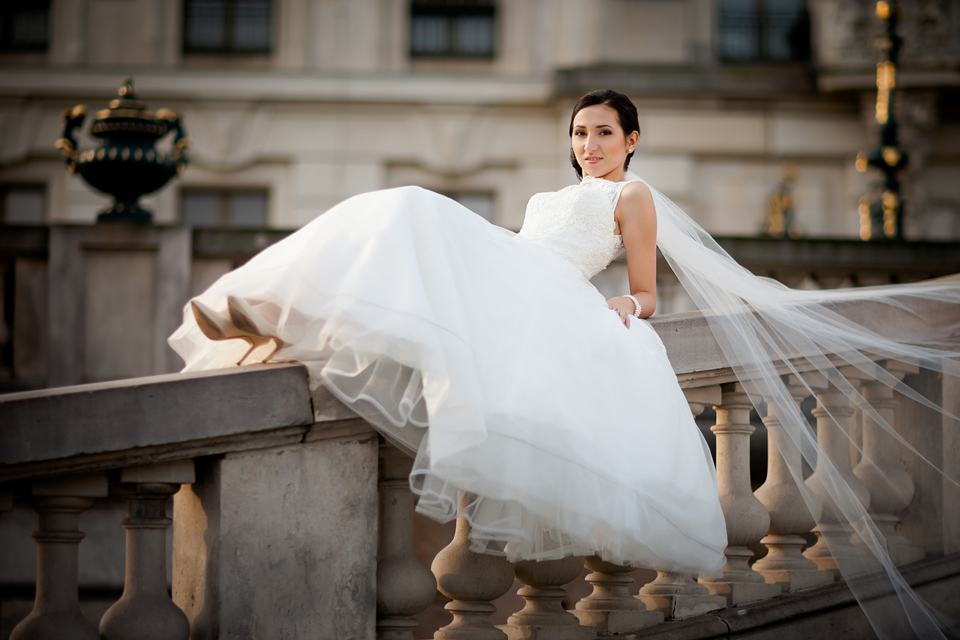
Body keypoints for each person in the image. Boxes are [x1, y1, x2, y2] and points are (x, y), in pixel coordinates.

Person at [170, 90, 960, 638]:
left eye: (604, 134)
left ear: (631, 140)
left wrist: (627, 309)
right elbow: (529, 246)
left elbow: (647, 290)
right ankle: (269, 307)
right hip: (519, 270)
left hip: (554, 294)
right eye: (581, 133)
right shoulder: (551, 195)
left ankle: (276, 308)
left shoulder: (633, 196)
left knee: (409, 205)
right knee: (402, 214)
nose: (590, 144)